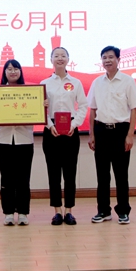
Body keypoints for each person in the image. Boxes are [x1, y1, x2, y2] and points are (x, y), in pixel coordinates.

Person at [87, 45, 136, 225]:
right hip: (101, 131)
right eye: (104, 57)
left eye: (111, 57)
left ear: (118, 59)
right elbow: (92, 110)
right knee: (102, 175)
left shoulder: (128, 81)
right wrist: (91, 134)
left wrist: (130, 134)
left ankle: (123, 211)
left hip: (120, 131)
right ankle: (103, 211)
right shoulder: (97, 83)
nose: (107, 60)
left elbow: (134, 109)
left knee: (121, 174)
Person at [41, 46, 87, 226]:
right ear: (51, 60)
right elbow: (41, 108)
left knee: (70, 173)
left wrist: (74, 125)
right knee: (53, 173)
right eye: (56, 56)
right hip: (51, 131)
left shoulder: (76, 83)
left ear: (68, 59)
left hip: (70, 131)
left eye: (63, 55)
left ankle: (69, 211)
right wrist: (49, 125)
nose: (60, 58)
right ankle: (57, 212)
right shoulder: (45, 83)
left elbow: (83, 106)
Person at [0, 59, 34, 226]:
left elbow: (36, 112)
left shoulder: (31, 93)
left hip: (24, 139)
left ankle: (23, 212)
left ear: (20, 72)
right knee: (7, 179)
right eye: (9, 69)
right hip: (3, 140)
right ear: (4, 72)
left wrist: (42, 105)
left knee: (23, 178)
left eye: (16, 68)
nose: (12, 72)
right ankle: (8, 212)